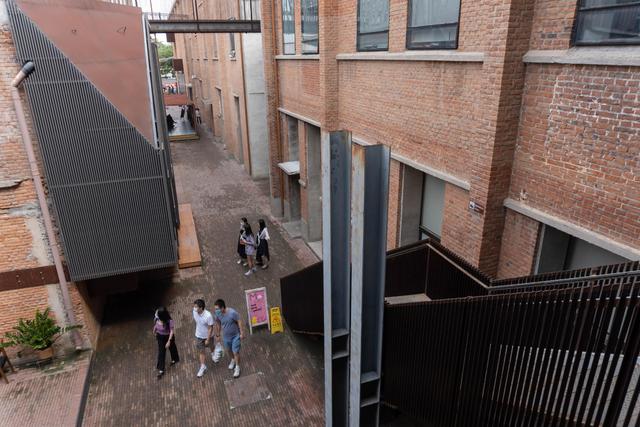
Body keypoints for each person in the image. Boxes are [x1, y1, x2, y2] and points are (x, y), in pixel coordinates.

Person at [213, 299, 244, 378]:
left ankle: (237, 367)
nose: (216, 311)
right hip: (226, 337)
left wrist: (241, 333)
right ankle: (233, 360)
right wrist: (217, 335)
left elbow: (239, 321)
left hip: (235, 336)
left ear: (222, 307)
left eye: (217, 309)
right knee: (228, 350)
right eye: (215, 309)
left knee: (235, 351)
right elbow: (218, 323)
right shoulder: (217, 315)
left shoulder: (232, 313)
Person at [153, 306, 179, 378]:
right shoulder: (157, 317)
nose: (156, 314)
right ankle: (161, 368)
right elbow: (156, 325)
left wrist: (169, 341)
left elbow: (171, 331)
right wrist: (154, 330)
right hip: (160, 337)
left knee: (172, 348)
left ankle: (175, 359)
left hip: (168, 337)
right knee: (161, 352)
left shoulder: (169, 321)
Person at [192, 299, 215, 378]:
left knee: (211, 346)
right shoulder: (194, 311)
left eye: (196, 307)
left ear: (201, 308)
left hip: (208, 336)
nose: (194, 308)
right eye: (194, 306)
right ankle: (203, 366)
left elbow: (210, 328)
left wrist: (208, 339)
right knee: (201, 351)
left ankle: (213, 354)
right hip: (199, 335)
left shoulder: (208, 316)